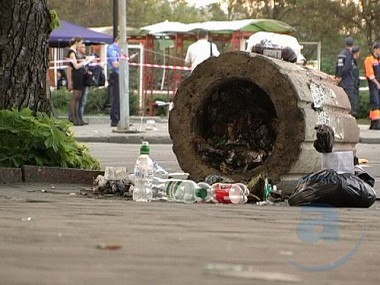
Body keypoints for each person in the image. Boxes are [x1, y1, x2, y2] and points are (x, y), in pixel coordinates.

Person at [67, 36, 86, 126]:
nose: (81, 45)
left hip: (79, 76)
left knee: (78, 97)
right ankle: (73, 118)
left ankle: (77, 117)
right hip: (76, 76)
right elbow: (75, 66)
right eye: (81, 43)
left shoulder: (74, 52)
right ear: (77, 42)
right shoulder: (71, 52)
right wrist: (84, 62)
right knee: (75, 97)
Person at [335, 36, 356, 116]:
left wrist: (337, 77)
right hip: (348, 82)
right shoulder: (349, 55)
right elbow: (347, 68)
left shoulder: (341, 54)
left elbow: (337, 67)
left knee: (341, 102)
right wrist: (341, 77)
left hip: (340, 83)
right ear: (353, 44)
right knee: (349, 103)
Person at [364, 42, 380, 130]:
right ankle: (376, 123)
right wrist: (377, 84)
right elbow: (370, 75)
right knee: (375, 103)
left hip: (379, 84)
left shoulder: (379, 60)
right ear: (376, 49)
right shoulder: (369, 60)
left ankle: (374, 122)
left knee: (377, 104)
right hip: (374, 84)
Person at [107, 36, 121, 127]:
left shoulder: (119, 49)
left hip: (120, 75)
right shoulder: (112, 49)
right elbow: (115, 64)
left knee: (120, 98)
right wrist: (124, 60)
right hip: (115, 75)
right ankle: (115, 119)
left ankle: (120, 118)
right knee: (116, 97)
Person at [351, 46, 361, 117]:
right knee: (353, 103)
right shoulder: (351, 62)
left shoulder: (354, 62)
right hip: (352, 86)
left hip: (355, 85)